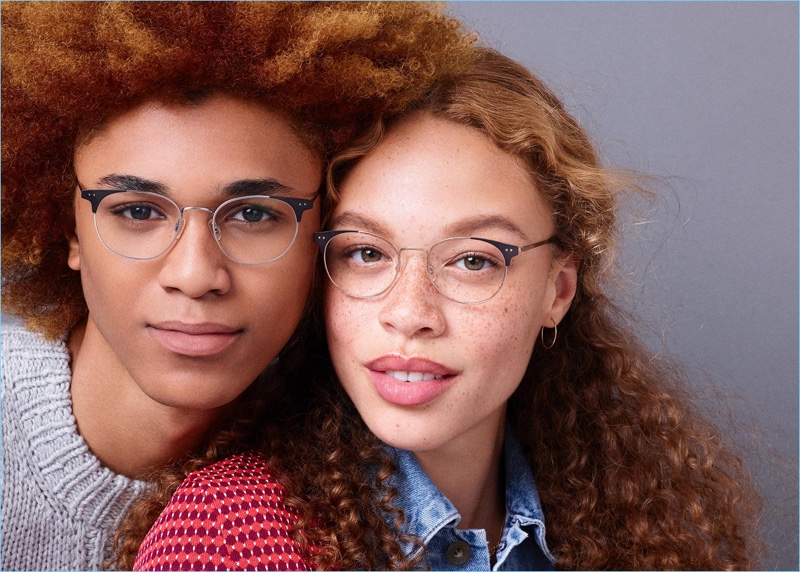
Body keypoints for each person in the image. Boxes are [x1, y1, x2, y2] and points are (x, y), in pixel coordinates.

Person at [133, 47, 762, 571]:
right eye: (366, 253)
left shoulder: (629, 522)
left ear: (558, 291)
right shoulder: (226, 540)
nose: (409, 314)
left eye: (472, 260)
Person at [0, 2, 474, 569]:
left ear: (328, 229)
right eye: (136, 211)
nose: (195, 276)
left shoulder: (364, 474)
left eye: (253, 215)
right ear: (67, 228)